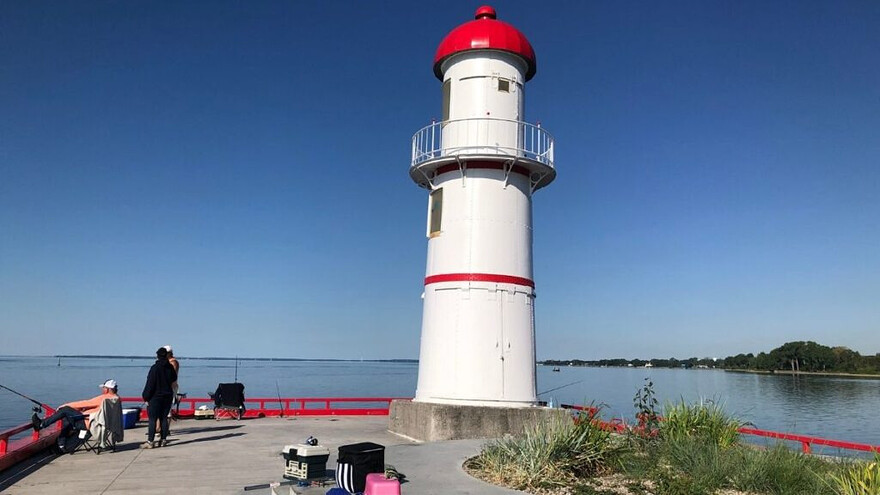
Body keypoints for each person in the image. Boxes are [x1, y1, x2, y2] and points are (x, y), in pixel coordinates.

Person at [32, 379, 119, 431]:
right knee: (67, 413)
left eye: (103, 388)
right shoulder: (116, 399)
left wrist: (64, 405)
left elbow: (85, 403)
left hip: (89, 424)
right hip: (106, 424)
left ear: (107, 389)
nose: (102, 389)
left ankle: (42, 424)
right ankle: (62, 444)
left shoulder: (103, 398)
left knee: (65, 410)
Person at [142, 346, 177, 448]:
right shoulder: (170, 367)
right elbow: (174, 378)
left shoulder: (155, 368)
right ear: (166, 355)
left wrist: (145, 396)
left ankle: (150, 441)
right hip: (167, 396)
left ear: (157, 356)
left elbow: (150, 384)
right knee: (163, 418)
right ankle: (163, 440)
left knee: (152, 419)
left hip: (155, 397)